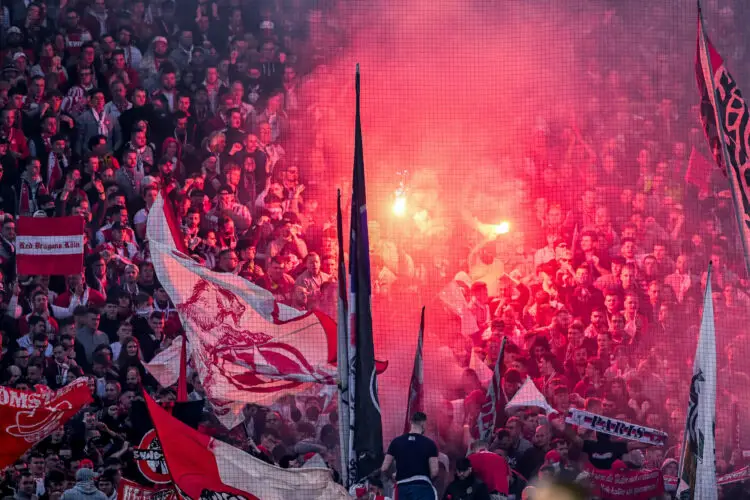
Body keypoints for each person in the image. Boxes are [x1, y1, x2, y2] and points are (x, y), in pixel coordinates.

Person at [381, 412, 439, 500]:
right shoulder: (430, 444)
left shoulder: (396, 442)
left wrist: (393, 479)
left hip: (402, 488)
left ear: (410, 422)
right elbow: (434, 472)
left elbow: (384, 468)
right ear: (423, 424)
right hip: (423, 488)